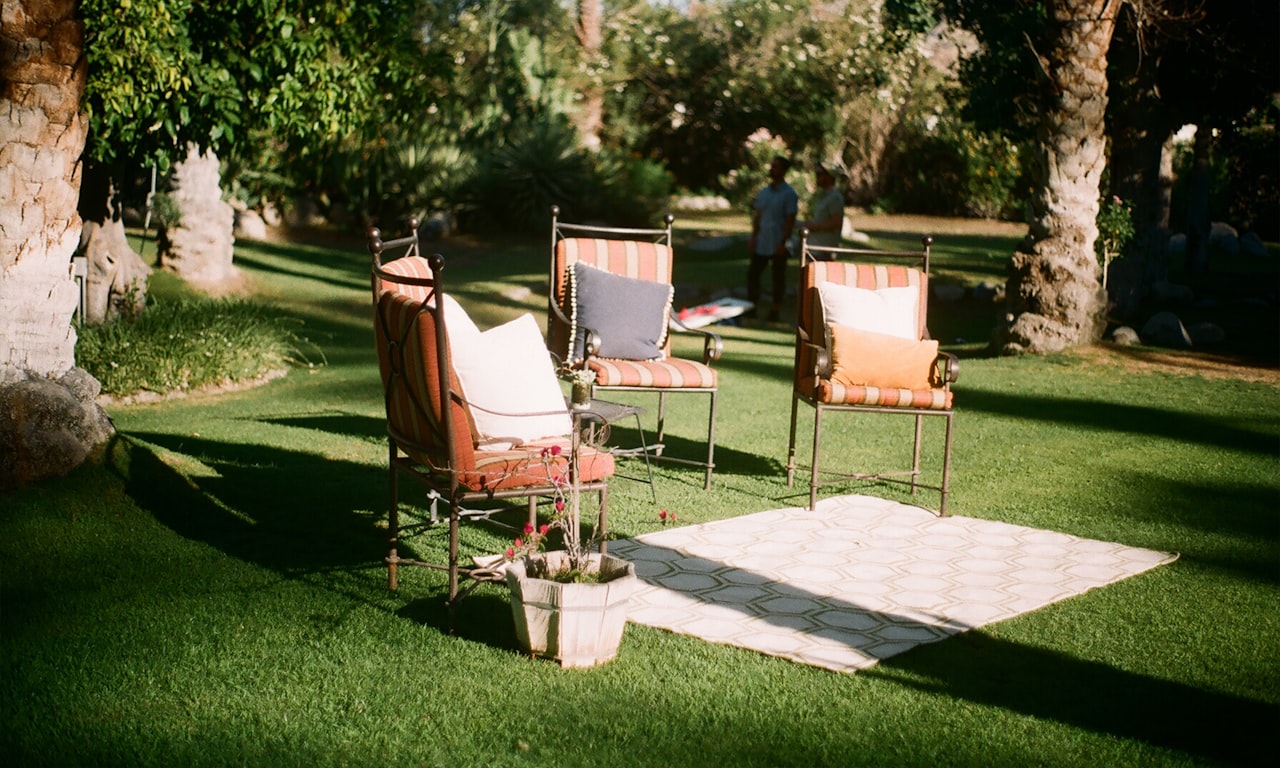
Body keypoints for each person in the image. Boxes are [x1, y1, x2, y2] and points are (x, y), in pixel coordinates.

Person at [747, 155, 798, 322]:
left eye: (776, 166)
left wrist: (784, 242)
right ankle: (751, 306)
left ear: (783, 170)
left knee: (778, 277)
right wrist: (753, 237)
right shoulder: (764, 192)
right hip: (762, 241)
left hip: (778, 242)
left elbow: (790, 220)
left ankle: (775, 310)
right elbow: (758, 215)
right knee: (753, 274)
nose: (772, 169)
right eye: (772, 166)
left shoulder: (789, 194)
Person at [802, 162, 845, 252]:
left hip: (824, 248)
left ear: (829, 176)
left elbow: (836, 223)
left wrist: (814, 226)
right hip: (813, 246)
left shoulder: (835, 197)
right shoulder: (822, 195)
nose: (817, 177)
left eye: (820, 174)